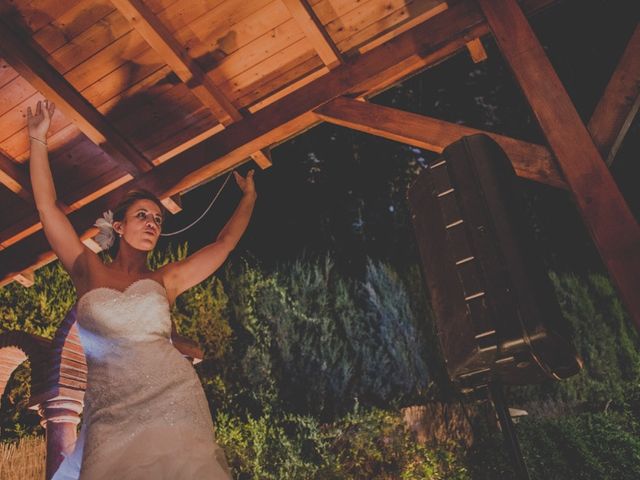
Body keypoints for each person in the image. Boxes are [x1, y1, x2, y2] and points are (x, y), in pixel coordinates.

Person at [27, 99, 257, 479]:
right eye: (142, 216)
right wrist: (38, 140)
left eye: (157, 219)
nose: (152, 223)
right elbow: (47, 210)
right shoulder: (87, 269)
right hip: (108, 412)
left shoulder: (166, 280)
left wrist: (249, 198)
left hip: (171, 399)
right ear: (118, 227)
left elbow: (223, 245)